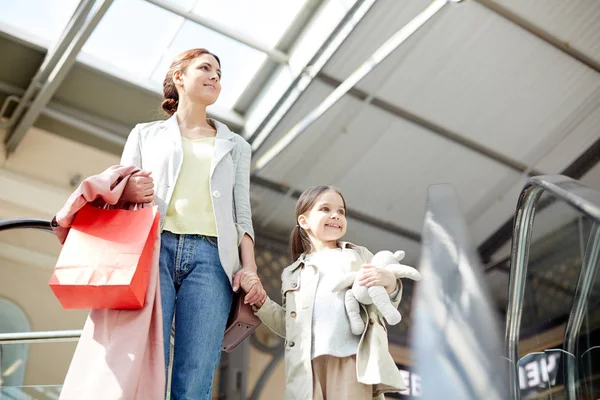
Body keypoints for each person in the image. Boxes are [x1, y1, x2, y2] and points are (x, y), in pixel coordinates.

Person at [119, 48, 267, 400]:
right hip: (155, 251)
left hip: (213, 262)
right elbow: (119, 198)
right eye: (205, 68)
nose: (215, 76)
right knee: (149, 362)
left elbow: (241, 214)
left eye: (219, 72)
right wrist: (127, 188)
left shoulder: (236, 146)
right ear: (179, 78)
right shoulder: (144, 135)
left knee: (197, 373)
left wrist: (250, 269)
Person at [241, 185, 411, 400]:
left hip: (352, 360)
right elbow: (291, 326)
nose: (335, 215)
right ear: (303, 221)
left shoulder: (359, 255)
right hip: (307, 367)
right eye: (325, 209)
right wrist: (262, 303)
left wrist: (389, 281)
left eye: (341, 211)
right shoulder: (291, 274)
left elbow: (382, 302)